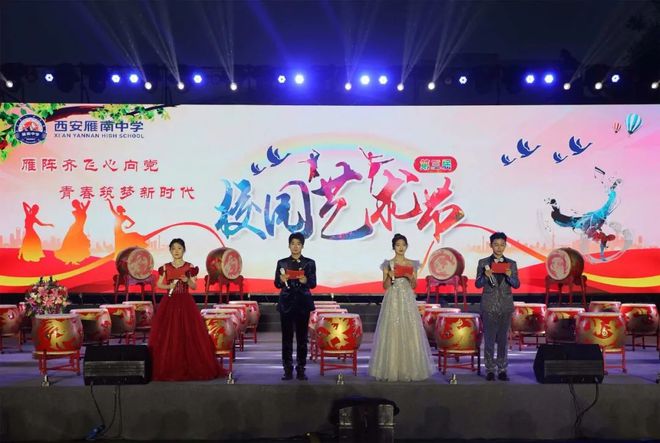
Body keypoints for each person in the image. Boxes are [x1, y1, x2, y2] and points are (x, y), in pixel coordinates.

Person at [148, 238, 221, 381]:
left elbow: (194, 286)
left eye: (179, 248)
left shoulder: (189, 267)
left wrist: (187, 280)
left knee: (188, 333)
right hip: (169, 303)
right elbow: (159, 284)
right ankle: (169, 366)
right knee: (169, 334)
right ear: (170, 251)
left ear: (184, 250)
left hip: (185, 302)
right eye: (173, 248)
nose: (176, 251)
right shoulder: (165, 267)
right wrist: (168, 286)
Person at [369, 233, 434, 381]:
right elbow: (385, 286)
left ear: (406, 247)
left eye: (403, 245)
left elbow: (414, 286)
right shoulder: (388, 264)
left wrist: (410, 277)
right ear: (393, 247)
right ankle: (391, 369)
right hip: (392, 299)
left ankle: (409, 369)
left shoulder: (412, 264)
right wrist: (389, 275)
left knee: (409, 330)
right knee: (392, 330)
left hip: (407, 299)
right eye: (398, 245)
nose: (401, 248)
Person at [475, 232, 520, 381]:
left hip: (505, 306)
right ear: (491, 245)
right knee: (489, 340)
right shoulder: (483, 263)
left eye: (502, 245)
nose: (499, 248)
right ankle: (489, 369)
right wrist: (485, 276)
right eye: (496, 244)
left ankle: (502, 369)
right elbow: (477, 284)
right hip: (489, 306)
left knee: (503, 340)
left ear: (505, 246)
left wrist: (509, 276)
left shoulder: (511, 264)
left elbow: (516, 284)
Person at [274, 232, 316, 381]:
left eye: (298, 244)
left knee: (302, 338)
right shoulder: (282, 263)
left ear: (302, 246)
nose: (295, 247)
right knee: (286, 338)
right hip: (286, 303)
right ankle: (287, 369)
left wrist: (305, 281)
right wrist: (281, 280)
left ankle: (301, 369)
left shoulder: (309, 263)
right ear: (289, 245)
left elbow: (313, 283)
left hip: (302, 304)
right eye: (293, 244)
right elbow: (276, 283)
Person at [54, 199, 91, 265]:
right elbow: (84, 210)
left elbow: (86, 206)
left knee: (78, 244)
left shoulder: (82, 210)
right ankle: (71, 259)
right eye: (75, 205)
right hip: (75, 228)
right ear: (74, 206)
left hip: (79, 228)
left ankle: (74, 259)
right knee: (74, 243)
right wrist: (84, 205)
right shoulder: (75, 212)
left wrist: (84, 205)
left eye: (76, 204)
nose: (76, 205)